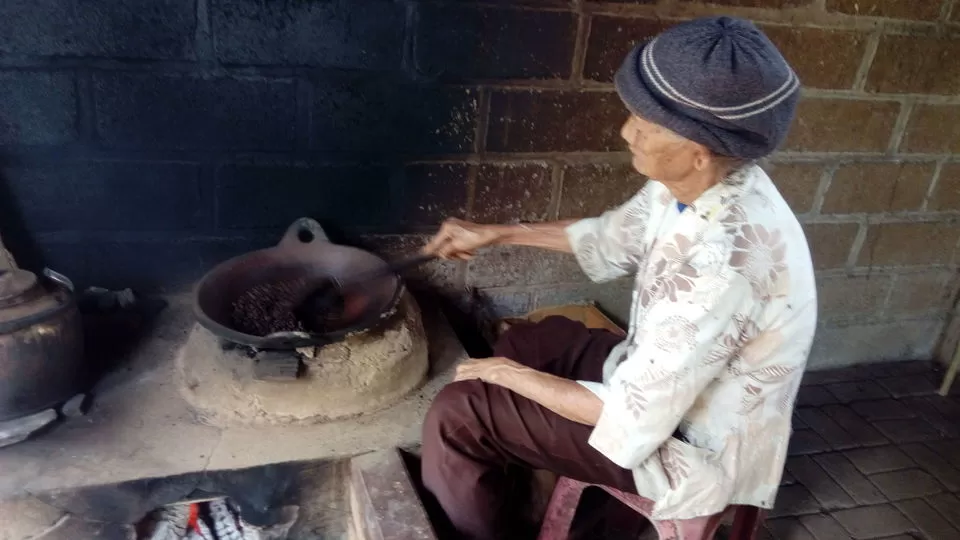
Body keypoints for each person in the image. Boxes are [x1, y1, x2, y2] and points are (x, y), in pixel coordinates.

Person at [419, 16, 817, 540]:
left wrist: (505, 376)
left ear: (698, 150)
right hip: (658, 386)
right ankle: (541, 503)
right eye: (633, 115)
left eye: (647, 126)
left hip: (688, 444)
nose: (626, 131)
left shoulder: (720, 265)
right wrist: (494, 233)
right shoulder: (701, 180)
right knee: (540, 339)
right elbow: (610, 237)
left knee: (460, 412)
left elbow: (633, 420)